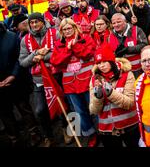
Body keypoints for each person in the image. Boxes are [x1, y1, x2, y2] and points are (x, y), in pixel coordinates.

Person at [50, 18, 98, 146]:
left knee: (95, 109)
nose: (67, 31)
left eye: (69, 28)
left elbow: (88, 54)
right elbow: (55, 61)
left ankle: (102, 132)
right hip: (70, 85)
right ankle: (91, 134)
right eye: (64, 29)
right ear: (61, 31)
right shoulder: (59, 44)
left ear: (75, 28)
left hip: (88, 81)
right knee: (80, 112)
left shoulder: (86, 38)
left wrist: (75, 45)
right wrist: (67, 49)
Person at [18, 12, 61, 147]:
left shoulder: (55, 33)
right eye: (31, 23)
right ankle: (48, 136)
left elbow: (61, 52)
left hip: (57, 76)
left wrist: (44, 56)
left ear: (43, 22)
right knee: (40, 110)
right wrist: (35, 54)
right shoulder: (25, 40)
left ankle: (71, 131)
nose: (34, 24)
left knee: (65, 105)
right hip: (39, 80)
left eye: (37, 21)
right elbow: (23, 62)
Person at [89, 45, 140, 147]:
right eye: (98, 63)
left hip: (129, 127)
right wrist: (98, 96)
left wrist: (110, 93)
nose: (101, 65)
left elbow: (130, 103)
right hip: (107, 130)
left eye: (104, 61)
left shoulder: (127, 74)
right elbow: (93, 110)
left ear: (111, 61)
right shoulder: (94, 79)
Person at [0, 22, 38, 147]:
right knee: (5, 114)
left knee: (24, 109)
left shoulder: (11, 37)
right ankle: (14, 139)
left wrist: (13, 76)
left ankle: (34, 134)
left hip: (16, 82)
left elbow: (19, 58)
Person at [111, 13, 148, 77]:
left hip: (139, 70)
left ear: (125, 21)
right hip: (122, 72)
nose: (116, 25)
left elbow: (144, 45)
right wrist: (115, 54)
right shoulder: (110, 36)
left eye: (119, 22)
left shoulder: (136, 30)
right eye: (114, 23)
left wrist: (128, 49)